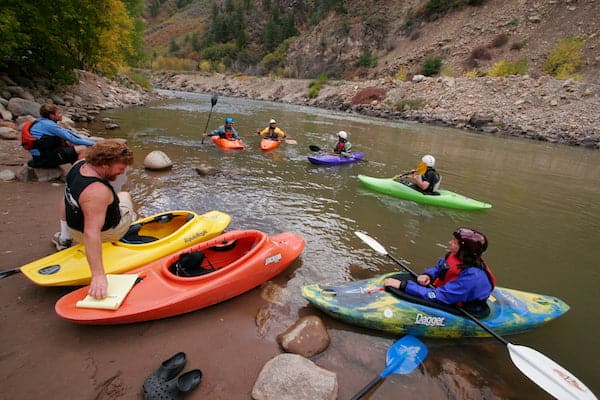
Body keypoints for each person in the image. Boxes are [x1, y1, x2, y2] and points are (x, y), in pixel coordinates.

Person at [62, 139, 136, 299]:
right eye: (121, 168)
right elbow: (91, 233)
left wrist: (65, 236)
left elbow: (65, 201)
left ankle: (63, 237)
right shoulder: (97, 191)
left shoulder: (78, 165)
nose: (122, 172)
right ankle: (130, 224)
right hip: (105, 233)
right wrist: (98, 276)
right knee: (124, 195)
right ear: (104, 164)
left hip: (72, 228)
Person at [383, 228, 496, 315]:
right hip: (447, 292)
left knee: (406, 286)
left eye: (455, 242)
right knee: (408, 281)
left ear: (465, 249)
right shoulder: (456, 257)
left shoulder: (472, 276)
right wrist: (429, 275)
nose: (450, 243)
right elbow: (439, 268)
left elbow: (441, 296)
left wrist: (403, 286)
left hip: (462, 306)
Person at [26, 104, 95, 168]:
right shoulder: (50, 125)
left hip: (41, 156)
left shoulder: (41, 121)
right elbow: (72, 139)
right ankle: (80, 172)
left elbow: (68, 133)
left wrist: (81, 139)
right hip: (44, 159)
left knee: (71, 145)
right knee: (83, 148)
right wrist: (95, 144)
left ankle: (76, 169)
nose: (61, 115)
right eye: (59, 113)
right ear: (51, 115)